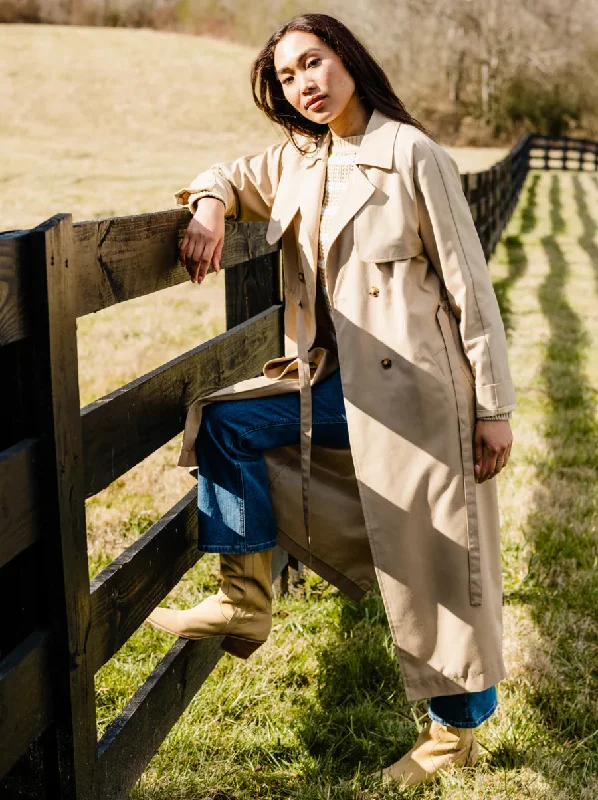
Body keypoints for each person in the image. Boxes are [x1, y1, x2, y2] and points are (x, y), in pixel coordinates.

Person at [146, 13, 516, 786]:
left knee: (443, 563)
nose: (304, 84)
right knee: (226, 420)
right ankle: (245, 597)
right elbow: (230, 174)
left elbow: (470, 287)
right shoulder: (299, 159)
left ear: (346, 58)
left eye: (313, 63)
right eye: (287, 76)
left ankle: (453, 736)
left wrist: (494, 408)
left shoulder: (409, 152)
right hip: (337, 388)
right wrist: (208, 208)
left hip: (422, 396)